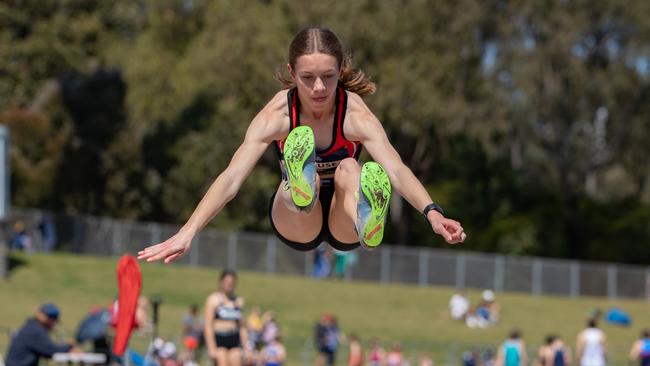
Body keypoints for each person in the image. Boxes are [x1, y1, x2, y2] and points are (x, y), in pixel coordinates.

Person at [137, 26, 465, 265]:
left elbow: (395, 169)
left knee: (352, 168)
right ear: (292, 72)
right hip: (295, 221)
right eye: (308, 78)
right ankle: (299, 182)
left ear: (341, 71)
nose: (319, 87)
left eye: (328, 76)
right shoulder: (276, 115)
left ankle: (366, 218)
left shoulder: (356, 116)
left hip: (342, 222)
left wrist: (432, 213)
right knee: (291, 190)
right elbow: (232, 177)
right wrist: (188, 230)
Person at [5, 303, 81, 366]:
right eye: (54, 321)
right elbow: (52, 351)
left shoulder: (31, 327)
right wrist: (70, 345)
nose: (54, 325)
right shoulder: (34, 331)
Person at [204, 269, 249, 366]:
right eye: (227, 282)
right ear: (221, 282)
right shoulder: (213, 300)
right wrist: (211, 348)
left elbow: (242, 327)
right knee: (222, 361)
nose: (230, 285)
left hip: (234, 339)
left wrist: (246, 348)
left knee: (237, 360)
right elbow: (208, 325)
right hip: (219, 340)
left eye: (232, 283)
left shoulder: (238, 301)